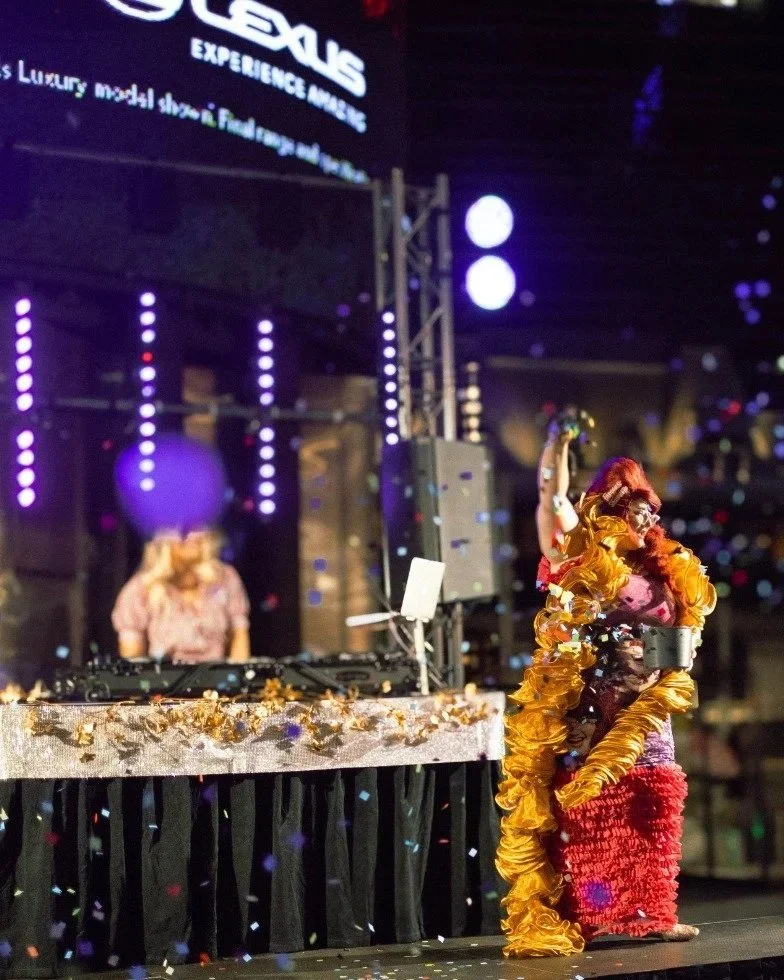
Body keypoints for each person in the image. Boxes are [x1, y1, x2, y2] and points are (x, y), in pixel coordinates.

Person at [496, 425, 716, 958]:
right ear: (610, 507)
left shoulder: (658, 565)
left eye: (650, 511)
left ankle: (652, 914)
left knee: (653, 800)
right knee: (587, 806)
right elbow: (551, 498)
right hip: (594, 707)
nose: (647, 519)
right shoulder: (584, 552)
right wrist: (557, 447)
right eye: (636, 509)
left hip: (648, 707)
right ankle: (584, 914)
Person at [112, 529, 251, 664]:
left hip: (217, 682)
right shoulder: (140, 589)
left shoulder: (225, 578)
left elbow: (239, 638)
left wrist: (235, 682)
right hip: (164, 683)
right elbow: (132, 658)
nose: (193, 536)